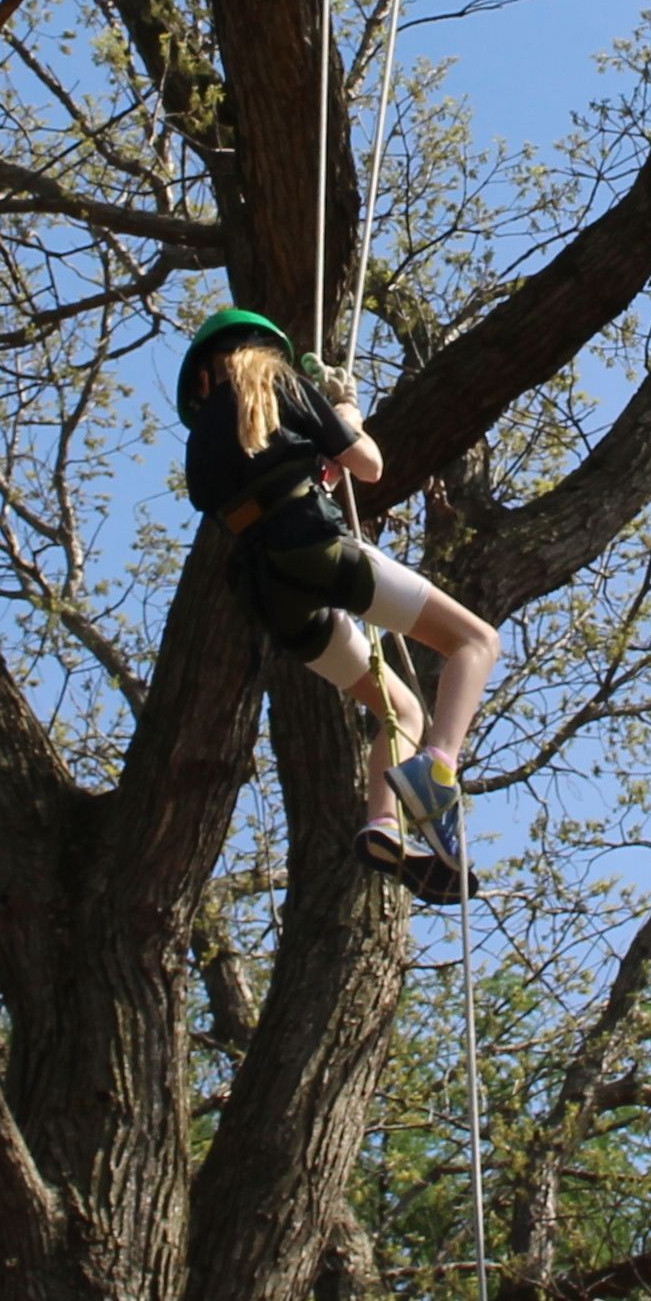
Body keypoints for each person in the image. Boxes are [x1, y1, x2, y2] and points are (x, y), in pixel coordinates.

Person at [178, 304, 508, 901]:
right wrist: (344, 412)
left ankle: (383, 824)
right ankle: (439, 766)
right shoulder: (279, 383)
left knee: (400, 710)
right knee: (475, 641)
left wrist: (319, 459)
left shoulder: (200, 447)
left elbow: (266, 483)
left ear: (203, 377)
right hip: (315, 550)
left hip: (269, 594)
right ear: (262, 353)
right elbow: (371, 466)